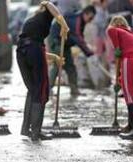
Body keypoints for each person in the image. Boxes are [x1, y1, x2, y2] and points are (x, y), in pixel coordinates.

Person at [17, 0, 68, 141]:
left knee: (33, 90)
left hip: (21, 52)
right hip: (33, 50)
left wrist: (55, 57)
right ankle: (36, 132)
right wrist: (64, 26)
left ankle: (26, 129)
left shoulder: (33, 21)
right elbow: (49, 5)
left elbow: (32, 49)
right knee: (41, 91)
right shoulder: (46, 12)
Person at [106, 16, 133, 140]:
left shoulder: (113, 30)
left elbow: (119, 54)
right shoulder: (132, 35)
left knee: (131, 97)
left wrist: (116, 50)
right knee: (132, 95)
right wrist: (120, 81)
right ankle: (131, 126)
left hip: (131, 62)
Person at [49, 5, 96, 95]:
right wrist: (89, 53)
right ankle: (47, 89)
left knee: (71, 67)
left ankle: (74, 90)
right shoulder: (77, 20)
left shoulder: (81, 20)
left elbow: (79, 38)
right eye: (90, 18)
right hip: (57, 41)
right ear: (87, 14)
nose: (90, 21)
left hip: (65, 44)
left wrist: (89, 52)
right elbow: (78, 38)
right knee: (57, 64)